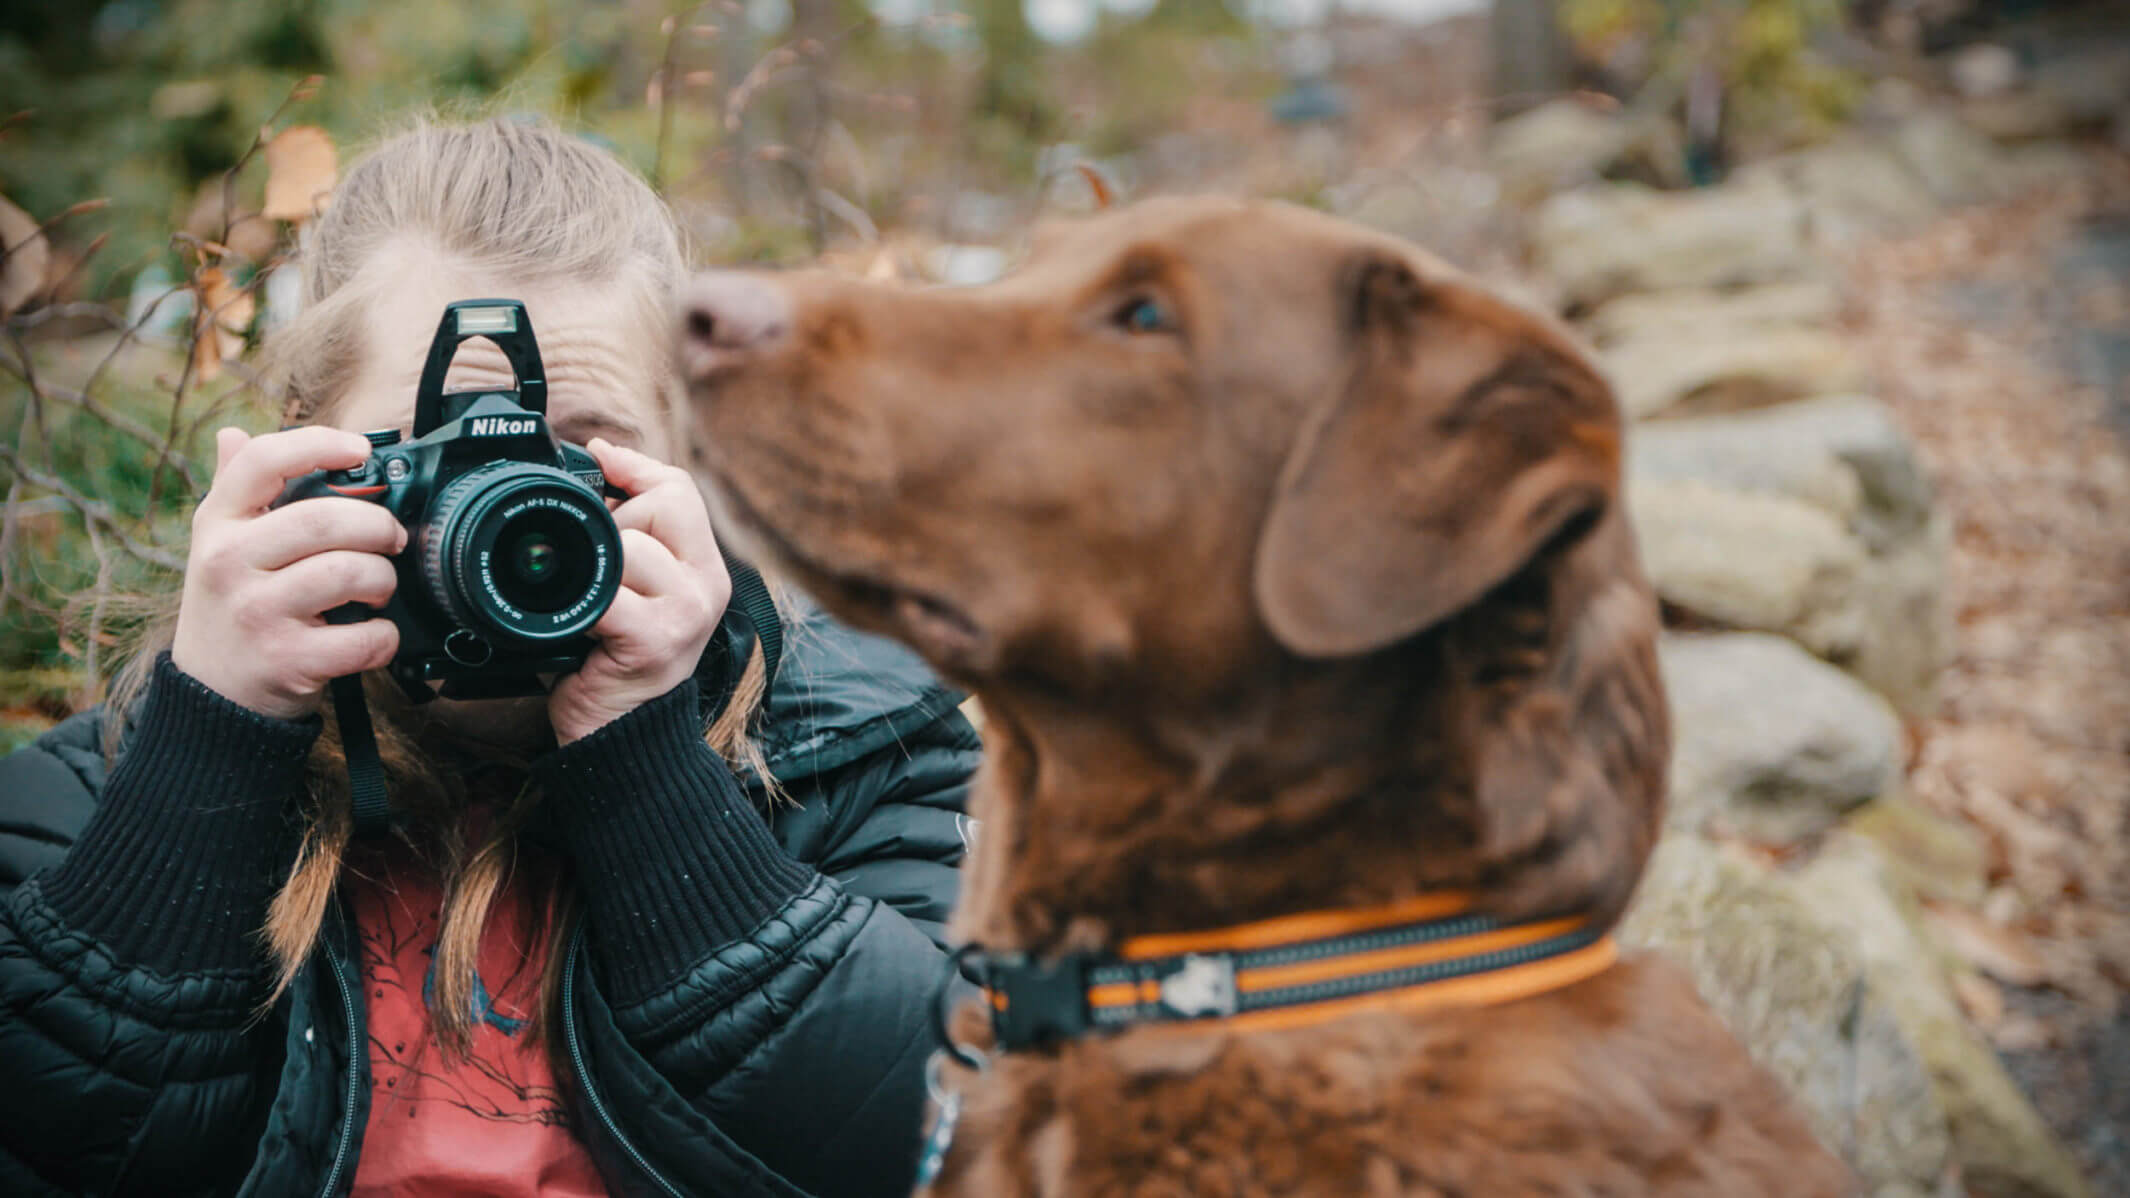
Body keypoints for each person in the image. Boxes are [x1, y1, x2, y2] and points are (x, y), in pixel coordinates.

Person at [0, 117, 979, 1197]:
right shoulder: (92, 796)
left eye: (579, 451)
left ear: (689, 458)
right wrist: (208, 750)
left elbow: (971, 1137)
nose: (513, 510)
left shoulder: (862, 754)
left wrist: (650, 772)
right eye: (433, 446)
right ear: (296, 451)